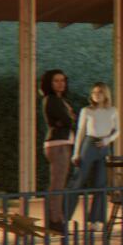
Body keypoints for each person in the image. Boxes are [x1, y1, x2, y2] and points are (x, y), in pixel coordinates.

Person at [66, 81, 119, 225]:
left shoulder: (113, 111)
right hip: (89, 145)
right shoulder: (86, 111)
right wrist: (76, 153)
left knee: (100, 183)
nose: (96, 95)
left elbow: (117, 131)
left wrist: (107, 141)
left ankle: (96, 220)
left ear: (106, 94)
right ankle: (65, 217)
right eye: (94, 92)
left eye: (99, 92)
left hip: (104, 147)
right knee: (78, 181)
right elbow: (80, 132)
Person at [36, 68, 77, 225]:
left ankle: (54, 218)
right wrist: (69, 119)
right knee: (57, 184)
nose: (60, 84)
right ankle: (54, 220)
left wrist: (68, 120)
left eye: (62, 80)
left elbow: (68, 120)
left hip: (62, 143)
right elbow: (67, 121)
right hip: (57, 144)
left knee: (58, 183)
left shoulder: (61, 100)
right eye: (56, 81)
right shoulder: (51, 99)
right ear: (49, 83)